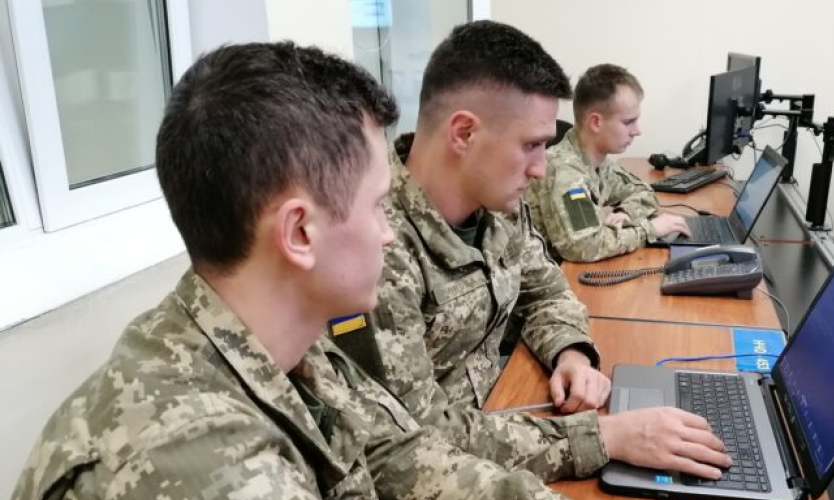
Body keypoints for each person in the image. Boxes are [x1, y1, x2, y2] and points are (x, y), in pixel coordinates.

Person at [11, 42, 626, 500]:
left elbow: (394, 452)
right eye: (377, 206)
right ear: (300, 233)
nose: (390, 231)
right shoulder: (209, 464)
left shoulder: (286, 340)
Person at [357, 20, 609, 426]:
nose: (541, 169)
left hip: (503, 407)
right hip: (452, 449)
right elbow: (413, 437)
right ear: (464, 133)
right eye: (531, 145)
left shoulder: (497, 204)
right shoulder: (377, 245)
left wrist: (572, 354)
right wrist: (594, 438)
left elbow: (546, 294)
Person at [525, 64, 690, 263]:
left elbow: (644, 192)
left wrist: (625, 213)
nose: (637, 131)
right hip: (549, 275)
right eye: (628, 122)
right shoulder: (567, 172)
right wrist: (650, 230)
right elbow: (585, 246)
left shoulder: (598, 161)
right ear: (596, 122)